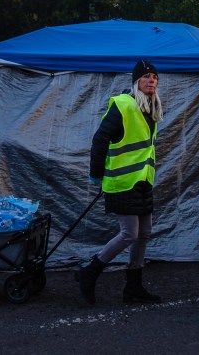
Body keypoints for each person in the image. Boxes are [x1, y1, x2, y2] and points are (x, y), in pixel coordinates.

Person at [77, 59, 163, 305]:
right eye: (146, 77)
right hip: (122, 182)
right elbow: (100, 139)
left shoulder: (151, 108)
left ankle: (133, 287)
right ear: (136, 81)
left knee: (144, 233)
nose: (152, 81)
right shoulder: (124, 105)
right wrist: (96, 174)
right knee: (129, 234)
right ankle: (89, 271)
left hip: (143, 181)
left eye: (155, 77)